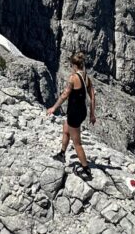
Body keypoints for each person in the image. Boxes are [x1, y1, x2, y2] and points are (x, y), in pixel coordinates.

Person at [46, 52, 96, 180]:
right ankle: (62, 154)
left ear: (74, 65)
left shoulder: (73, 77)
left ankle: (86, 170)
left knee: (77, 143)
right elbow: (92, 95)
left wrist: (53, 107)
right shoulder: (86, 77)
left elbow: (64, 95)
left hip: (74, 112)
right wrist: (92, 114)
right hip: (82, 111)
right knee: (66, 129)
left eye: (70, 65)